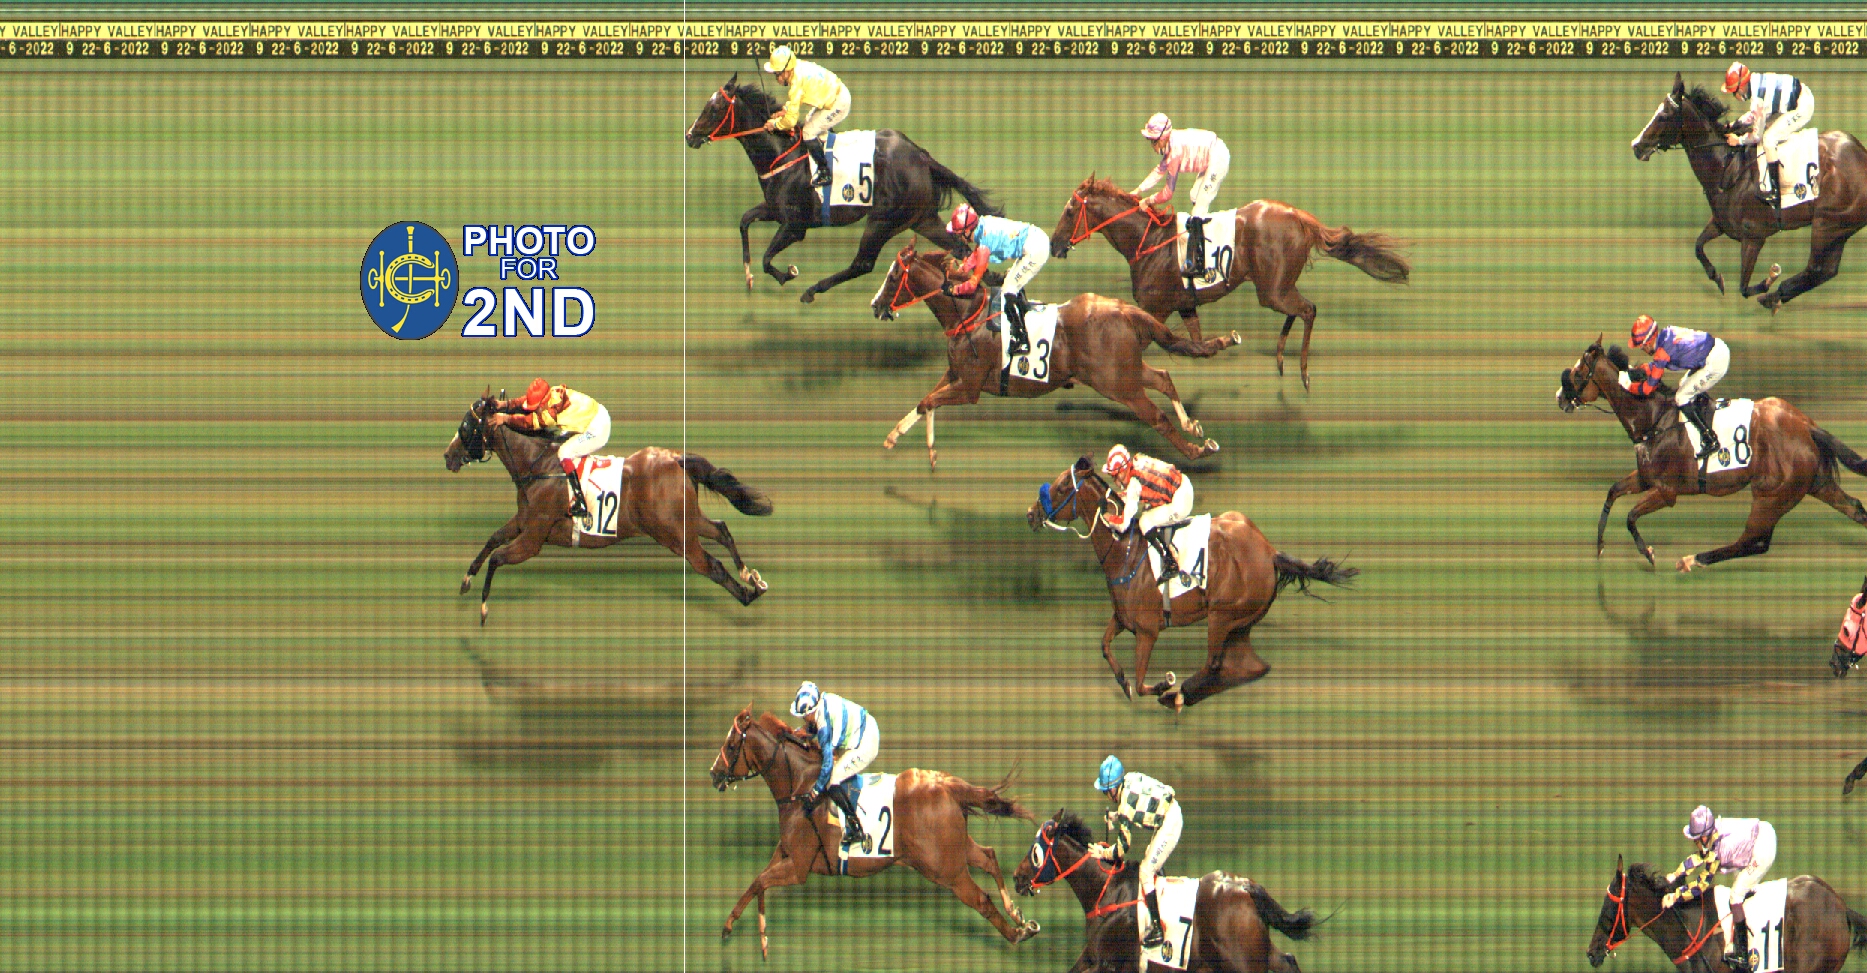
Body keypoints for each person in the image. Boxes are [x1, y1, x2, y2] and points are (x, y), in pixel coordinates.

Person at [1662, 805, 1776, 973]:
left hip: (1763, 847)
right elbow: (1698, 858)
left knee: (1736, 895)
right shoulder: (1712, 835)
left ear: (1706, 836)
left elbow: (1701, 884)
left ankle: (1743, 954)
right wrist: (1676, 874)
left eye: (1697, 839)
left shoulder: (1721, 850)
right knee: (1740, 889)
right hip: (1755, 839)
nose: (1695, 842)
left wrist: (1676, 896)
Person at [1092, 755, 1183, 949]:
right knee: (1151, 859)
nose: (1106, 795)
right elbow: (1137, 804)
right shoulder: (1129, 778)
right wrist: (1117, 816)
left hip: (1170, 822)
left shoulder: (1124, 806)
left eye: (1106, 791)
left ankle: (1158, 928)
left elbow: (1121, 850)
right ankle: (1161, 905)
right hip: (1169, 813)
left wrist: (1102, 853)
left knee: (1145, 871)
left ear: (1113, 789)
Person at [488, 379, 609, 518]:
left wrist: (505, 418)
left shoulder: (551, 412)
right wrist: (505, 404)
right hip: (594, 415)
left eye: (536, 408)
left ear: (543, 403)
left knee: (564, 452)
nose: (534, 410)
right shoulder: (552, 393)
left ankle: (579, 500)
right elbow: (527, 400)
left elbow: (529, 423)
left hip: (597, 429)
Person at [1131, 114, 1230, 279]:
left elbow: (1168, 193)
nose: (1152, 145)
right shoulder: (1171, 144)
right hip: (1213, 153)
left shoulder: (1175, 153)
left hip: (1217, 158)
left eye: (1153, 141)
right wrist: (1137, 190)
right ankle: (1203, 238)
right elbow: (1158, 171)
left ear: (1163, 138)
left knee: (1199, 208)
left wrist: (1148, 200)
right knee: (1194, 195)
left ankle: (1197, 263)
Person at [947, 203, 1050, 359]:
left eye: (958, 233)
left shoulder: (985, 243)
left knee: (1008, 289)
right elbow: (978, 251)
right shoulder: (982, 225)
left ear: (967, 232)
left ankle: (1021, 339)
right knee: (1010, 281)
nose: (958, 237)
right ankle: (1022, 313)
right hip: (1034, 240)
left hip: (1035, 249)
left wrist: (954, 290)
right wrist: (965, 267)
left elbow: (973, 284)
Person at [1629, 315, 1731, 461]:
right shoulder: (1666, 334)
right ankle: (1704, 410)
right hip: (1713, 350)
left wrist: (1629, 386)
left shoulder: (1662, 352)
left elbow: (1648, 388)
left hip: (1715, 362)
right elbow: (1657, 364)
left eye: (1641, 346)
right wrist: (1638, 369)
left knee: (1681, 397)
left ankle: (1709, 438)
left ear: (1648, 342)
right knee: (1684, 384)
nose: (1642, 349)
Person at [790, 681, 878, 850]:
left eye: (804, 716)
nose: (803, 719)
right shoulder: (823, 702)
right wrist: (806, 732)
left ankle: (855, 828)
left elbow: (828, 763)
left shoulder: (822, 723)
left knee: (833, 779)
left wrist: (815, 791)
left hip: (866, 743)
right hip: (866, 728)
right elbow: (818, 726)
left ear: (811, 712)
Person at [1723, 62, 1814, 207]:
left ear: (1740, 88)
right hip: (1797, 96)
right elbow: (1754, 114)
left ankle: (1776, 192)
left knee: (1768, 139)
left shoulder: (1757, 99)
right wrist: (1733, 124)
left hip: (1802, 107)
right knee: (1768, 127)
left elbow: (1756, 136)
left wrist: (1738, 140)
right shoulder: (1755, 81)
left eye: (1734, 92)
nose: (1735, 96)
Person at [1103, 444, 1196, 584]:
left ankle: (1170, 560)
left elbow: (1123, 524)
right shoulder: (1137, 459)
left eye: (1113, 476)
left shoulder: (1134, 484)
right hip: (1182, 484)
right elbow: (1141, 490)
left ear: (1121, 473)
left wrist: (1108, 517)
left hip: (1181, 501)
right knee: (1147, 509)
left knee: (1145, 521)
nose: (1114, 480)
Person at [762, 45, 850, 188]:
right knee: (810, 121)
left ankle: (825, 172)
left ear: (787, 71)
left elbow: (791, 121)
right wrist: (784, 110)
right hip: (832, 96)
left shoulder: (796, 83)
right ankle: (827, 147)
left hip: (838, 103)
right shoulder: (797, 67)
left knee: (808, 132)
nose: (777, 78)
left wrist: (775, 124)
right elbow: (796, 101)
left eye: (777, 74)